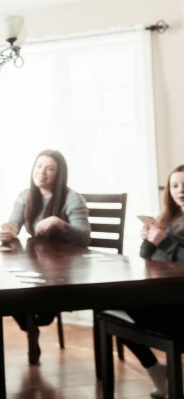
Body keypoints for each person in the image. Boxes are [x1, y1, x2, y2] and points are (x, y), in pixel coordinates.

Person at [0, 149, 90, 364]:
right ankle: (30, 326)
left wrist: (59, 222)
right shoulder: (25, 195)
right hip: (36, 263)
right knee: (9, 290)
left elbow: (84, 238)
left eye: (49, 169)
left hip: (66, 268)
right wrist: (6, 233)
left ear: (59, 174)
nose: (42, 173)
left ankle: (34, 322)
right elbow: (14, 225)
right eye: (39, 167)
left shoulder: (72, 198)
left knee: (39, 312)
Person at [117, 165, 184, 398]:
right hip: (160, 293)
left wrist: (164, 242)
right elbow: (146, 257)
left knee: (117, 302)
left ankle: (159, 372)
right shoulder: (169, 218)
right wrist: (148, 238)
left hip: (178, 302)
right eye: (175, 185)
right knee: (108, 306)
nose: (180, 190)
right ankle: (156, 370)